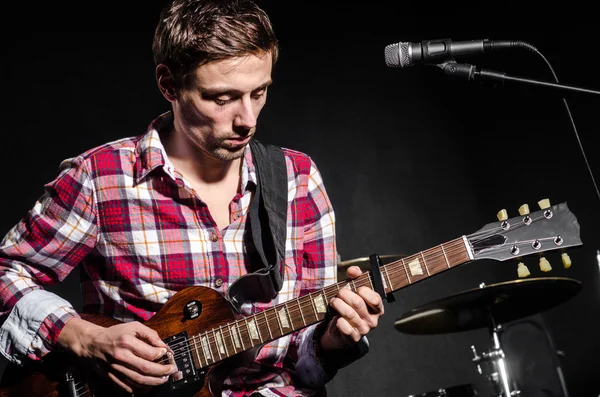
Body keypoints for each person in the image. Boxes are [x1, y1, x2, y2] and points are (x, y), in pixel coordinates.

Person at [0, 0, 384, 396]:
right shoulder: (102, 178)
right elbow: (6, 273)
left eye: (260, 92)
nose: (247, 119)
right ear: (169, 84)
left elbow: (303, 368)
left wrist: (331, 342)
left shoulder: (299, 179)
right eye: (222, 98)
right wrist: (85, 338)